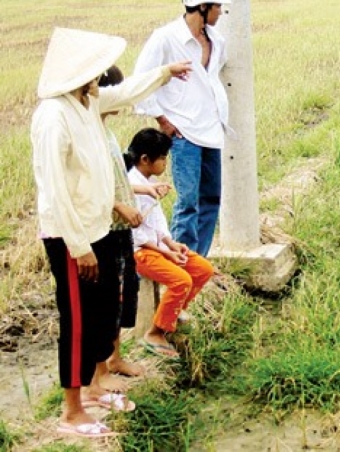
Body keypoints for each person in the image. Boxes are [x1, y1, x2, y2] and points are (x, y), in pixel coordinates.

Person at [31, 27, 192, 437]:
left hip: (99, 230)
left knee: (101, 314)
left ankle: (89, 391)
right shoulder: (54, 116)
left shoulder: (87, 103)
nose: (102, 79)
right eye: (96, 70)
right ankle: (71, 412)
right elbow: (55, 189)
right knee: (78, 320)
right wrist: (79, 245)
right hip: (73, 238)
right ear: (78, 71)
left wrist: (165, 72)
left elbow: (129, 90)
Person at [133, 0, 232, 258]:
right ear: (202, 6)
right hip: (184, 132)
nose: (220, 12)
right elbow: (141, 80)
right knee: (188, 202)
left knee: (211, 198)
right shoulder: (165, 38)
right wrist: (162, 119)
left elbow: (209, 80)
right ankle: (178, 264)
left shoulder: (217, 40)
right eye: (217, 7)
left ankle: (197, 260)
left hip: (211, 128)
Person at [96, 65, 172, 388]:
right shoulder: (91, 134)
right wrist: (119, 206)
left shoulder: (107, 133)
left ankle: (115, 357)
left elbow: (120, 180)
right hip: (106, 228)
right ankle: (100, 371)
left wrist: (142, 191)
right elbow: (97, 187)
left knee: (121, 295)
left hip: (120, 226)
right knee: (106, 298)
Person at [126, 128, 215, 358]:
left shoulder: (149, 182)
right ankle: (155, 332)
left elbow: (158, 222)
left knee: (203, 269)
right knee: (181, 280)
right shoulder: (132, 188)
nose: (166, 163)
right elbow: (137, 236)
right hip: (141, 252)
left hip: (158, 246)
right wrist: (165, 253)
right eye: (163, 158)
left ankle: (171, 316)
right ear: (146, 159)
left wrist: (171, 244)